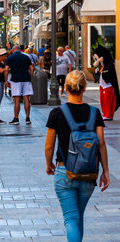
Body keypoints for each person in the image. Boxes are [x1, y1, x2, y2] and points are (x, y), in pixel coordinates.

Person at [45, 70, 109, 241]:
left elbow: (49, 145)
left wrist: (48, 164)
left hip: (64, 172)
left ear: (65, 88)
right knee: (78, 217)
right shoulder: (94, 113)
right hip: (88, 174)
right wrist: (106, 172)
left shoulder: (57, 113)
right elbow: (101, 144)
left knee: (71, 218)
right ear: (84, 88)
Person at [5, 45, 34, 125]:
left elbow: (6, 69)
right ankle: (28, 118)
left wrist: (6, 80)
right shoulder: (26, 57)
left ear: (13, 50)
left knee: (17, 99)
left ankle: (16, 118)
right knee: (26, 99)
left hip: (15, 80)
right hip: (26, 79)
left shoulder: (10, 57)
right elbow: (31, 68)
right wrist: (30, 77)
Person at [93, 45, 120, 120]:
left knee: (108, 101)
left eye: (96, 58)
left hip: (108, 86)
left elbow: (108, 77)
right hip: (103, 86)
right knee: (103, 100)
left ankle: (108, 114)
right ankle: (105, 113)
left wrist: (98, 62)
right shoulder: (102, 66)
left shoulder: (109, 65)